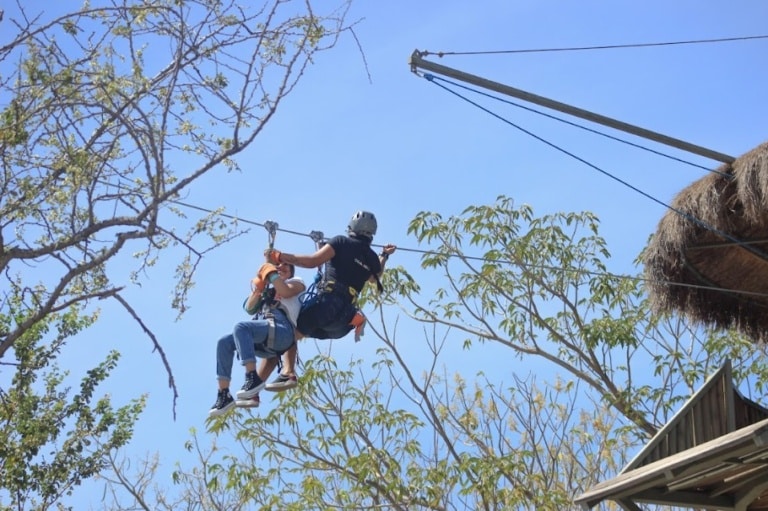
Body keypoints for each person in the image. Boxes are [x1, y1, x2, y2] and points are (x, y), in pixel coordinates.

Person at [262, 210, 396, 391]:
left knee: (288, 334)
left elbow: (311, 262)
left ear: (352, 227)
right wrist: (384, 255)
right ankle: (271, 378)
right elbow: (375, 275)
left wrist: (279, 257)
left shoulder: (341, 242)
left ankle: (287, 373)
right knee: (293, 337)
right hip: (343, 322)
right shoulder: (371, 258)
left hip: (327, 306)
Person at [209, 261, 305, 416]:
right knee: (224, 342)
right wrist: (260, 288)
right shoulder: (268, 292)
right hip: (265, 334)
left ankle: (252, 377)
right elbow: (249, 308)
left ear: (291, 271)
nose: (280, 267)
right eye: (277, 266)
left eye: (286, 266)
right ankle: (224, 394)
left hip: (282, 331)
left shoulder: (296, 282)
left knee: (241, 327)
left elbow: (286, 292)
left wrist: (272, 273)